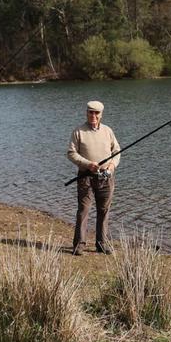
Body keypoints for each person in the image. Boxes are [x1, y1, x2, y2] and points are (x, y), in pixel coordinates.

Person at [67, 100, 121, 255]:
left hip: (106, 178)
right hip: (86, 177)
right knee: (83, 210)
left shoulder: (108, 131)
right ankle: (79, 245)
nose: (93, 115)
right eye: (90, 112)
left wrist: (112, 166)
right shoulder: (78, 131)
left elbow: (117, 151)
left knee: (104, 211)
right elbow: (71, 153)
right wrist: (88, 164)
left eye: (96, 113)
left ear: (101, 114)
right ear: (87, 113)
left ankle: (101, 244)